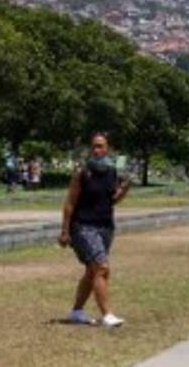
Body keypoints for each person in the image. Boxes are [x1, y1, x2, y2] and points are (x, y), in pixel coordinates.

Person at [60, 132, 130, 327]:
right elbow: (70, 203)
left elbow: (111, 200)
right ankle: (107, 315)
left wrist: (124, 190)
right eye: (94, 146)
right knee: (101, 267)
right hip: (83, 226)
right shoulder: (82, 173)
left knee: (92, 271)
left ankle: (76, 311)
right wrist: (65, 231)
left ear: (108, 149)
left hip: (105, 226)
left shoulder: (112, 172)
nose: (97, 150)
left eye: (101, 146)